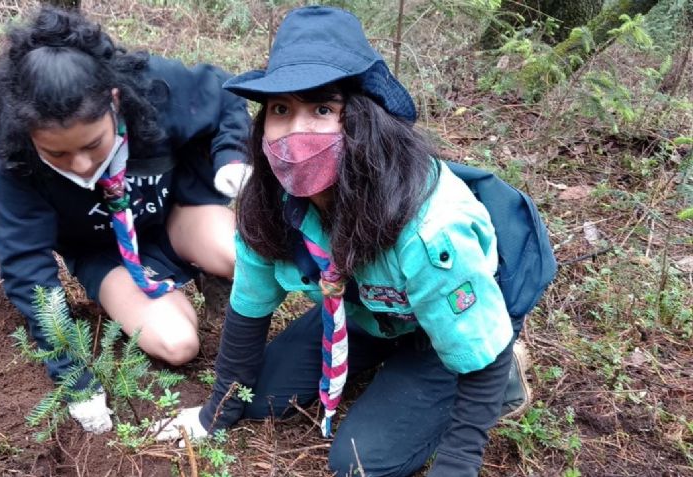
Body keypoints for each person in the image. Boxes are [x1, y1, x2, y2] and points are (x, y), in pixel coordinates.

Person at [155, 6, 543, 476]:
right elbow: (248, 309)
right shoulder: (270, 203)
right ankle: (384, 349)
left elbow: (478, 356)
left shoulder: (429, 228)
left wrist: (458, 463)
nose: (296, 131)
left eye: (323, 109)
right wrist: (215, 415)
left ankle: (503, 378)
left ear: (363, 120)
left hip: (455, 315)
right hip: (370, 311)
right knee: (257, 398)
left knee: (358, 462)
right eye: (281, 109)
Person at [0, 7, 251, 434]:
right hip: (104, 250)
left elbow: (226, 94)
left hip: (175, 215)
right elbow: (27, 267)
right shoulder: (15, 157)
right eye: (58, 154)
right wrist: (72, 376)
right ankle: (146, 290)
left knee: (244, 257)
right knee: (177, 344)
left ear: (114, 100)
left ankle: (210, 273)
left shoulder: (154, 88)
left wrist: (232, 155)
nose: (81, 165)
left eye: (93, 144)